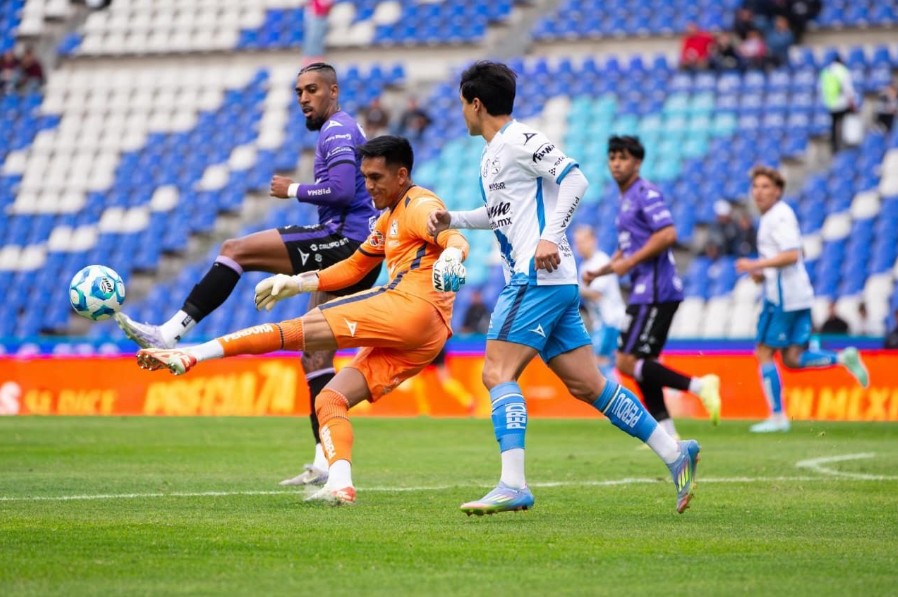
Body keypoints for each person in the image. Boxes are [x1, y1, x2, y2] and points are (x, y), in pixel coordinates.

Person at [428, 61, 701, 517]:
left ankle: (513, 483)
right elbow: (500, 213)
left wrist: (550, 236)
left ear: (476, 104)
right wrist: (453, 219)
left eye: (462, 105)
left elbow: (575, 178)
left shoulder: (520, 138)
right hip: (553, 281)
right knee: (588, 384)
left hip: (536, 277)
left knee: (497, 372)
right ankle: (676, 453)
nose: (461, 113)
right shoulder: (492, 153)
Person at [135, 135, 470, 505]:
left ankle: (190, 354)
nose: (368, 186)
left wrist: (453, 255)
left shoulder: (420, 203)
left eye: (376, 178)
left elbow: (451, 235)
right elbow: (355, 266)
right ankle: (341, 482)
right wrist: (297, 282)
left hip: (411, 305)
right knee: (330, 399)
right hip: (429, 335)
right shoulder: (389, 217)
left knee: (297, 331)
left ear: (402, 174)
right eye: (365, 177)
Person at [114, 63, 382, 487]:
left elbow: (347, 191)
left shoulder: (338, 130)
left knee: (235, 251)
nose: (303, 99)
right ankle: (325, 462)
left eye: (311, 90)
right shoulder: (339, 129)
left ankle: (170, 333)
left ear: (333, 91)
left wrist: (292, 190)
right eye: (298, 92)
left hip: (344, 242)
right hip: (353, 249)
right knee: (314, 355)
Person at [584, 135, 721, 442]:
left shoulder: (645, 193)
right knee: (641, 366)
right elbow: (628, 247)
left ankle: (700, 386)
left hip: (656, 290)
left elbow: (667, 234)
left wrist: (629, 263)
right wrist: (603, 271)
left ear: (637, 162)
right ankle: (670, 437)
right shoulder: (626, 199)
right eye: (613, 157)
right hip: (644, 290)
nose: (617, 163)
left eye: (623, 157)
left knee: (628, 363)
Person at [735, 166, 869, 433]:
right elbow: (794, 254)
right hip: (797, 295)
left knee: (763, 351)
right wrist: (763, 274)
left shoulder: (777, 216)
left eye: (765, 187)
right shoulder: (778, 216)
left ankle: (777, 417)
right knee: (793, 359)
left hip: (784, 299)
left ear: (778, 191)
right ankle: (842, 359)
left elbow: (793, 254)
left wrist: (757, 264)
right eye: (756, 187)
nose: (759, 192)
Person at [573, 225, 626, 380]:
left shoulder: (601, 262)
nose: (579, 246)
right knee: (601, 363)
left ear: (592, 240)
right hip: (600, 322)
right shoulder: (584, 265)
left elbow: (596, 294)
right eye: (577, 242)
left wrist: (569, 289)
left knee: (600, 362)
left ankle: (618, 398)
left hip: (611, 320)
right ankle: (616, 396)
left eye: (582, 241)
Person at [406, 345, 477, 416]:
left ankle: (424, 410)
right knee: (445, 380)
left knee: (418, 378)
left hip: (425, 348)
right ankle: (467, 400)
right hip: (438, 347)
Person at [818, 54, 856, 154]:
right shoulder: (843, 71)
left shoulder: (825, 72)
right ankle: (844, 145)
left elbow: (821, 88)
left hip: (830, 103)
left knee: (834, 125)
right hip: (841, 102)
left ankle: (834, 146)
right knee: (844, 123)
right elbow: (848, 89)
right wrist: (852, 103)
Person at [302, 0, 332, 66]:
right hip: (315, 17)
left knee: (318, 39)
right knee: (312, 38)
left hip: (322, 17)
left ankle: (317, 56)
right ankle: (310, 57)